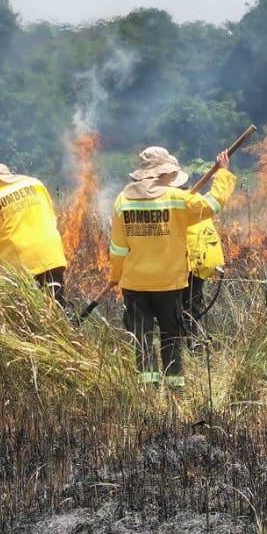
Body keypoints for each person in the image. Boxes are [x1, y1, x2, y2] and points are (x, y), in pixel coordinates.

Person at [109, 145, 230, 391]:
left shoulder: (123, 200)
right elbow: (213, 204)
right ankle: (175, 390)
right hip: (169, 284)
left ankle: (148, 390)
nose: (173, 178)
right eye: (170, 174)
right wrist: (223, 174)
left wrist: (115, 277)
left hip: (134, 284)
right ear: (162, 174)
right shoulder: (176, 199)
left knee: (141, 339)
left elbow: (119, 248)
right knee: (171, 338)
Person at [0, 163, 69, 302]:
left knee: (26, 319)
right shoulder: (36, 184)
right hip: (53, 257)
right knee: (57, 308)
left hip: (22, 268)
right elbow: (51, 218)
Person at [182, 158, 237, 339]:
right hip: (198, 262)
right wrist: (222, 171)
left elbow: (216, 200)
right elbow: (216, 199)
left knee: (186, 307)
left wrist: (221, 172)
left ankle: (190, 345)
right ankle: (192, 343)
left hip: (189, 263)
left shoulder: (182, 202)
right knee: (191, 305)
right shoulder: (193, 199)